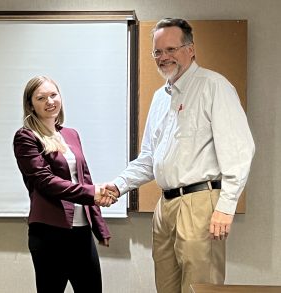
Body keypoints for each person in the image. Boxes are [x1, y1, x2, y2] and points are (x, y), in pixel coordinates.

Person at [107, 18, 255, 293]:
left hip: (201, 203)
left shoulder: (214, 86)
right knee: (166, 286)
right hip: (165, 208)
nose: (164, 58)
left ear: (191, 49)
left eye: (171, 49)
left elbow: (239, 151)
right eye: (158, 52)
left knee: (200, 286)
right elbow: (150, 158)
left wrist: (226, 206)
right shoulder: (160, 97)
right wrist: (118, 185)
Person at [13, 76, 115, 293]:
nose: (49, 101)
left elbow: (85, 179)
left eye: (53, 95)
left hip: (82, 233)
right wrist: (92, 192)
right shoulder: (26, 137)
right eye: (41, 98)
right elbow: (45, 181)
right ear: (31, 104)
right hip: (49, 234)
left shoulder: (71, 134)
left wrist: (99, 227)